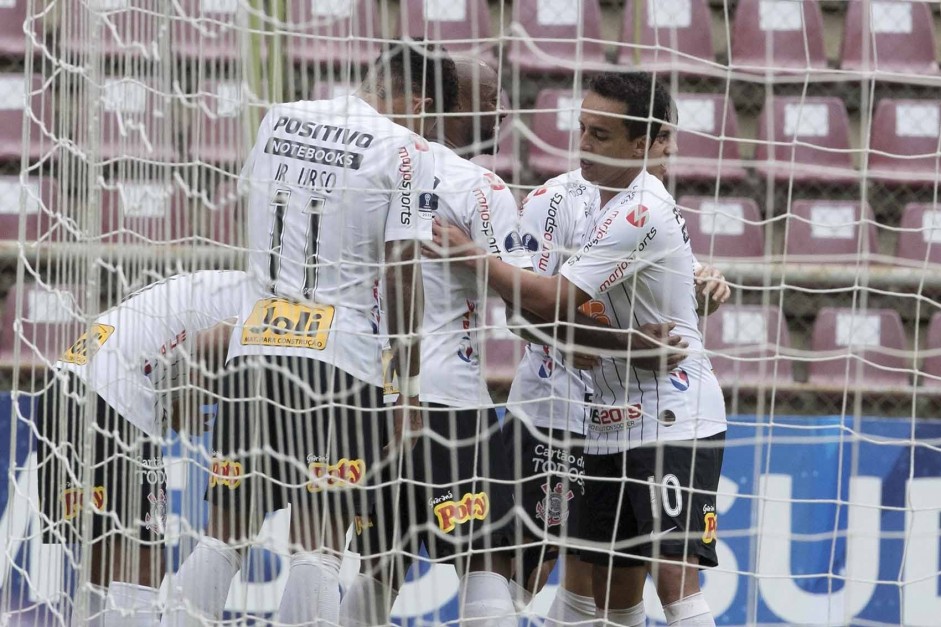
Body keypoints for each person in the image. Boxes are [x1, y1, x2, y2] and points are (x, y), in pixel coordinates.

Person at [162, 42, 458, 626]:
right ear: (421, 104)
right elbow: (403, 270)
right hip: (335, 355)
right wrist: (406, 387)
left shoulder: (282, 116)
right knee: (318, 539)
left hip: (256, 343)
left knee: (227, 532)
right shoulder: (406, 148)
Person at [428, 71, 727, 627]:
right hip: (590, 416)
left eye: (600, 134)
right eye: (582, 129)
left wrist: (475, 256)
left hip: (670, 413)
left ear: (647, 144)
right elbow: (532, 312)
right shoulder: (554, 199)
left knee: (673, 581)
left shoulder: (643, 208)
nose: (583, 144)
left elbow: (554, 296)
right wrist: (613, 342)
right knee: (596, 587)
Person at [339, 56, 530, 627]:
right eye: (488, 94)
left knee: (381, 561)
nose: (501, 109)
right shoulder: (478, 186)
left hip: (373, 390)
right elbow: (523, 308)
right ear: (447, 104)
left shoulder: (363, 172)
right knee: (483, 562)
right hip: (446, 400)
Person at [37, 270, 250, 626]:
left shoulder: (208, 285)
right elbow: (208, 354)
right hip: (113, 399)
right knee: (141, 566)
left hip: (62, 385)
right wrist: (216, 400)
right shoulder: (255, 295)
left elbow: (182, 391)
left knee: (99, 567)